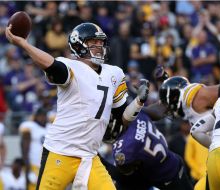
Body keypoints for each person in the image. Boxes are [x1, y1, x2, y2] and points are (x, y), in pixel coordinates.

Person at [5, 22, 149, 190]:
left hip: (89, 156)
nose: (99, 46)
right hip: (60, 151)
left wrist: (139, 102)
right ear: (78, 44)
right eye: (93, 42)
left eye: (101, 42)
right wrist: (24, 44)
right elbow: (51, 65)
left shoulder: (114, 73)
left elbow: (122, 117)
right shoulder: (71, 66)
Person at [151, 73, 220, 189]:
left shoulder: (195, 97)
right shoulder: (186, 103)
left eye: (169, 105)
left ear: (175, 98)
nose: (169, 109)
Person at [102, 111, 193, 190]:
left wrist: (98, 159)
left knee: (123, 181)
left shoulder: (124, 150)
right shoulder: (136, 115)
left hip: (167, 174)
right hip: (164, 162)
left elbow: (124, 174)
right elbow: (157, 110)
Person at [19, 107, 48, 190]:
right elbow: (24, 148)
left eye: (44, 115)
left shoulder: (50, 127)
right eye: (40, 116)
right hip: (34, 165)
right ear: (36, 116)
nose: (42, 118)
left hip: (47, 166)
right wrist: (29, 168)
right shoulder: (30, 126)